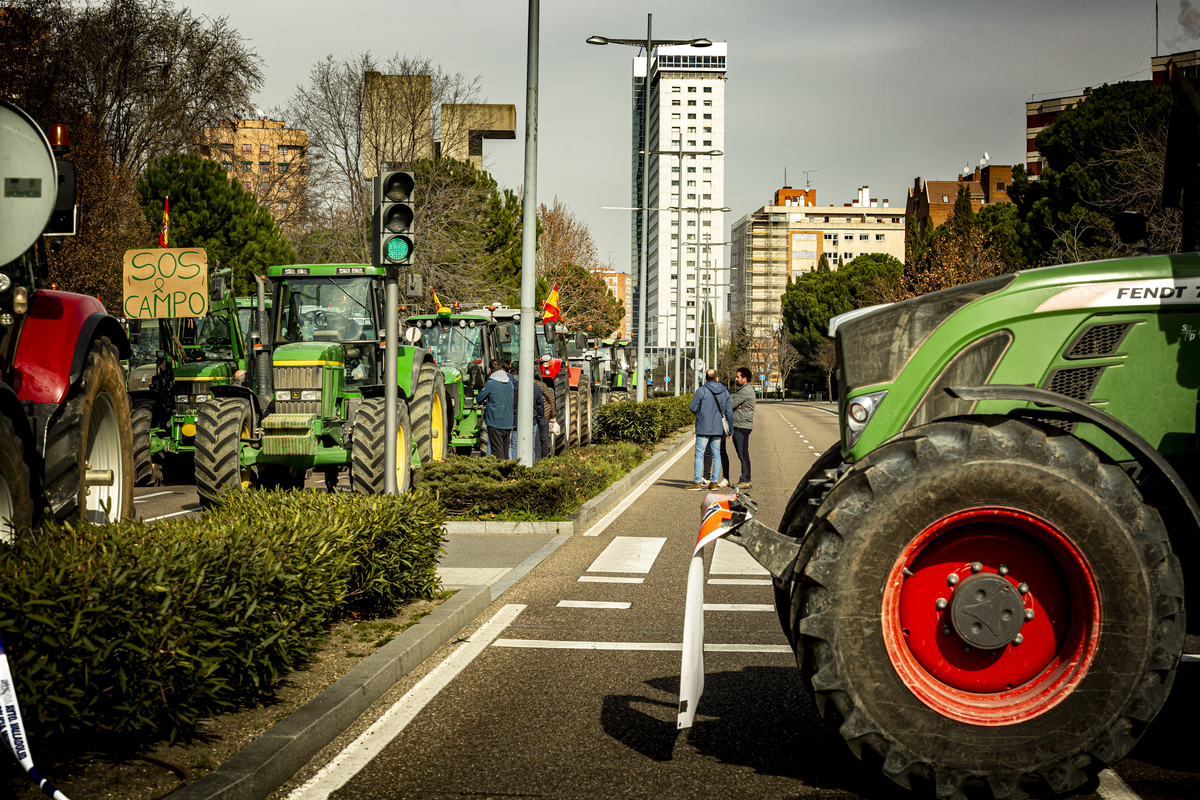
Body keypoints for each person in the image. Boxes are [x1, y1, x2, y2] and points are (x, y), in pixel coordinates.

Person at [688, 368, 732, 491]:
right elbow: (729, 412)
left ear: (706, 378)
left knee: (699, 454)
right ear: (717, 378)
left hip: (703, 427)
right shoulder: (724, 391)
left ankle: (697, 482)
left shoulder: (701, 390)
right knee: (716, 454)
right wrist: (731, 429)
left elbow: (693, 408)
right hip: (718, 427)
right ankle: (714, 483)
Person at [475, 358, 514, 459]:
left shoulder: (491, 383)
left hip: (495, 421)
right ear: (501, 368)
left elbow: (479, 398)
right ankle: (507, 472)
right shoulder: (509, 382)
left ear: (489, 370)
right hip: (508, 422)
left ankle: (500, 473)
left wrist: (485, 400)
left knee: (497, 451)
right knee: (505, 451)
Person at [729, 366, 757, 488]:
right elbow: (733, 399)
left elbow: (730, 403)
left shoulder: (745, 391)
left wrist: (734, 403)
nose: (736, 379)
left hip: (741, 425)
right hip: (740, 424)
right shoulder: (743, 390)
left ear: (744, 379)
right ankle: (745, 478)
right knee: (742, 453)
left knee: (743, 453)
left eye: (738, 377)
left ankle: (745, 479)